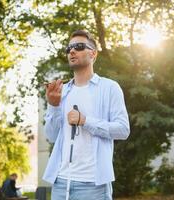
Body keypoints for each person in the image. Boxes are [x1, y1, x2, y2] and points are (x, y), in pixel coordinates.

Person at [43, 30, 130, 200]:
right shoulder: (61, 92)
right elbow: (51, 136)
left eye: (79, 46)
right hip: (60, 182)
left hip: (93, 185)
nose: (72, 51)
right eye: (69, 48)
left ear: (93, 54)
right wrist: (53, 107)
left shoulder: (109, 88)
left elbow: (123, 129)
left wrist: (85, 120)